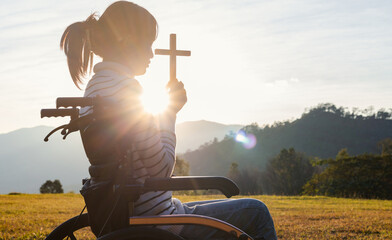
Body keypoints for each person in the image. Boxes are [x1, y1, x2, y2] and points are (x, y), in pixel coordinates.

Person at [60, 1, 277, 239]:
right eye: (147, 44)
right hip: (159, 221)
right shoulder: (127, 90)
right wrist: (170, 114)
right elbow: (161, 171)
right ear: (126, 42)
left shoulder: (95, 89)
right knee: (256, 211)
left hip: (123, 213)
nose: (152, 54)